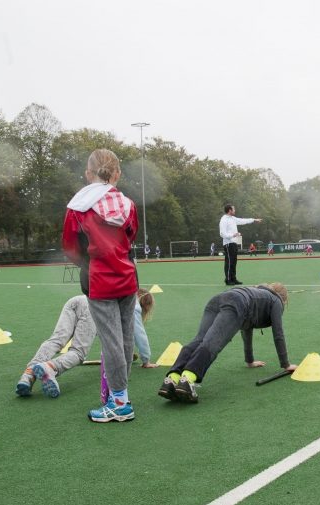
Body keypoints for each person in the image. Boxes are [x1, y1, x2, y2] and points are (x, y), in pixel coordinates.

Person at [62, 149, 140, 423]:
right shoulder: (128, 204)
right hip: (127, 275)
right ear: (117, 174)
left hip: (98, 279)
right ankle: (121, 395)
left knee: (111, 342)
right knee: (125, 337)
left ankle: (119, 402)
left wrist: (87, 263)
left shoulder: (78, 207)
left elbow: (70, 247)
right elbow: (130, 236)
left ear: (88, 173)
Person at [157, 283, 296, 404]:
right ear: (284, 299)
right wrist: (286, 364)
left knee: (199, 339)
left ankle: (171, 380)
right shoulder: (276, 301)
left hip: (218, 299)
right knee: (212, 343)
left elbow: (247, 329)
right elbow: (278, 334)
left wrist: (250, 361)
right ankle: (187, 379)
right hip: (235, 302)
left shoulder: (257, 294)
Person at [15, 290, 155, 399]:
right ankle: (51, 367)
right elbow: (139, 334)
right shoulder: (133, 305)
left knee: (56, 340)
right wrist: (146, 359)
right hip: (92, 309)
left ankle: (28, 376)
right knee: (78, 352)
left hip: (76, 300)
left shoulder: (120, 293)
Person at [219, 204, 261, 286]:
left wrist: (254, 220)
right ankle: (228, 280)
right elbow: (222, 233)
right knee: (229, 262)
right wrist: (233, 235)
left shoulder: (233, 219)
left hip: (234, 243)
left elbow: (243, 220)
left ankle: (233, 278)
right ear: (230, 210)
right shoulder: (224, 220)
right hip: (228, 243)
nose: (235, 210)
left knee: (234, 262)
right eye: (233, 209)